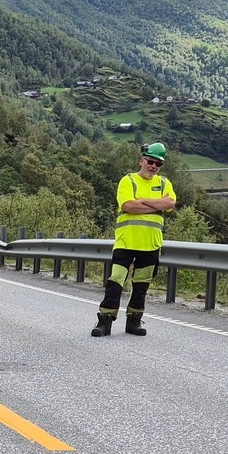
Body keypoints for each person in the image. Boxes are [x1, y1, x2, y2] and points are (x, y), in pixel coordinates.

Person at [92, 142, 177, 337]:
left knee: (142, 284)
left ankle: (134, 321)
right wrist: (157, 205)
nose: (153, 166)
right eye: (150, 161)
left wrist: (142, 202)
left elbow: (170, 203)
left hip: (151, 244)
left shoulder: (164, 183)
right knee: (116, 281)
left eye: (158, 164)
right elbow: (128, 205)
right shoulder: (128, 181)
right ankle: (104, 321)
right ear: (142, 160)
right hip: (126, 242)